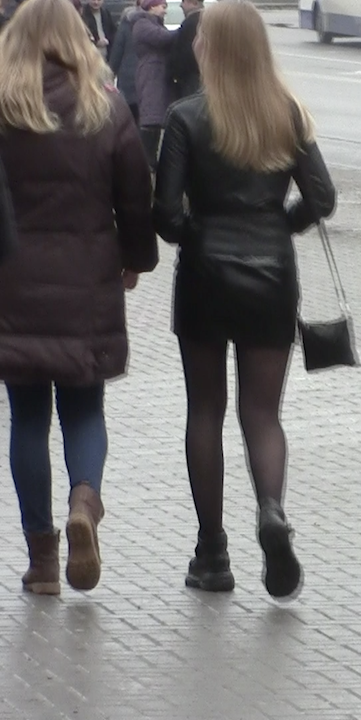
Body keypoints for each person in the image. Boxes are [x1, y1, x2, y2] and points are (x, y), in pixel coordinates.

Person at [153, 0, 336, 600]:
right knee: (262, 413)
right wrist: (281, 223)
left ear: (209, 47)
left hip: (205, 275)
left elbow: (165, 214)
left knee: (204, 410)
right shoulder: (286, 114)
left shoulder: (186, 117)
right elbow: (323, 197)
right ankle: (273, 511)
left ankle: (212, 554)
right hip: (271, 276)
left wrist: (196, 234)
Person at [0, 0, 158, 596]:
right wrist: (137, 259)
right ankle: (85, 503)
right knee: (84, 408)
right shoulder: (105, 109)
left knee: (28, 418)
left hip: (12, 281)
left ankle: (42, 562)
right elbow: (134, 198)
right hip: (88, 281)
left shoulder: (3, 109)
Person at [131, 0, 174, 169]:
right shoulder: (142, 24)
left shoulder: (152, 24)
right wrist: (185, 30)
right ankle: (143, 162)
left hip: (156, 74)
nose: (165, 11)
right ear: (152, 6)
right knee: (150, 118)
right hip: (151, 75)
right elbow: (163, 38)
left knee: (155, 119)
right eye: (163, 6)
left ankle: (150, 160)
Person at [107, 0, 143, 125]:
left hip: (128, 76)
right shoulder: (154, 22)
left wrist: (110, 74)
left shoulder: (126, 23)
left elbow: (117, 51)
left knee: (129, 117)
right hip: (143, 78)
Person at [167, 0, 202, 99]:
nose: (181, 5)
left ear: (194, 3)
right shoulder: (207, 21)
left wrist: (175, 72)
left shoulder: (191, 23)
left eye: (184, 1)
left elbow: (184, 53)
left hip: (191, 78)